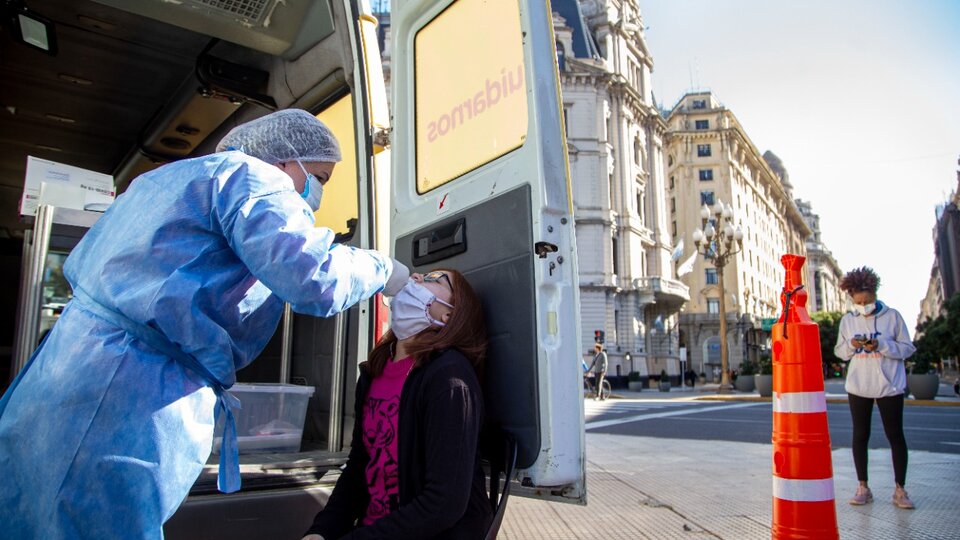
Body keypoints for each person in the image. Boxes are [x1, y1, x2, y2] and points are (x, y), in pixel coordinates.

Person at [0, 109, 410, 539]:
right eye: (320, 178)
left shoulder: (163, 180)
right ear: (287, 159)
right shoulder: (254, 177)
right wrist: (386, 270)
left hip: (67, 368)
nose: (317, 194)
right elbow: (311, 275)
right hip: (132, 386)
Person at [302, 269, 491, 539]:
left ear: (448, 315)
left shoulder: (450, 381)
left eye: (435, 279)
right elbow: (359, 468)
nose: (416, 277)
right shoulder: (374, 372)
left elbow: (443, 505)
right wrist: (321, 531)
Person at [834, 267, 917, 509]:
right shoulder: (848, 321)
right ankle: (863, 486)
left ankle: (900, 490)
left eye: (867, 301)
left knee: (896, 436)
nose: (863, 305)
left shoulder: (893, 317)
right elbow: (840, 352)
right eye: (858, 302)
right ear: (851, 299)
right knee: (860, 436)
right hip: (859, 386)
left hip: (889, 386)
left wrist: (882, 345)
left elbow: (908, 348)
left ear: (875, 294)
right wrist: (851, 345)